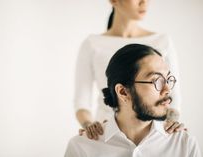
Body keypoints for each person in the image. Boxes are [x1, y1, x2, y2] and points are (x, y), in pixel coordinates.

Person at [66, 44, 202, 157]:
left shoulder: (184, 145)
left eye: (168, 79)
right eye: (156, 80)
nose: (167, 89)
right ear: (123, 92)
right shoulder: (81, 148)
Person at [74, 0, 183, 139]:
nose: (144, 2)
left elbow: (173, 96)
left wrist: (172, 124)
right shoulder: (92, 44)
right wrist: (89, 126)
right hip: (104, 134)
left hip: (154, 135)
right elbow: (81, 101)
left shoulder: (162, 41)